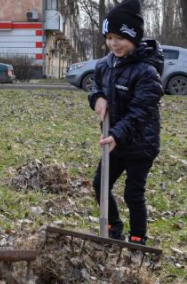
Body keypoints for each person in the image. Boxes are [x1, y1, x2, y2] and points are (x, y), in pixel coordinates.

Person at [88, 0, 164, 245]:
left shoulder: (147, 72)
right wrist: (97, 97)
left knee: (133, 193)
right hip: (115, 141)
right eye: (109, 37)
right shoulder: (106, 64)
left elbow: (139, 111)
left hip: (140, 144)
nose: (114, 43)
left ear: (134, 38)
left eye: (120, 38)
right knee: (100, 185)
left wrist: (117, 135)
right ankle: (113, 226)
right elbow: (96, 85)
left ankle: (138, 237)